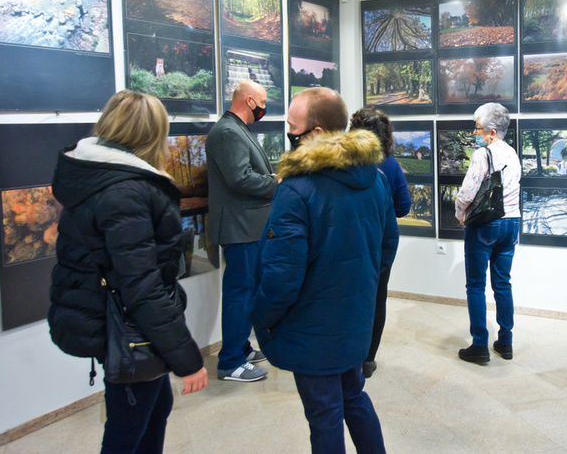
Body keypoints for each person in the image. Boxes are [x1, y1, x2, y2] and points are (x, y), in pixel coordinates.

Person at [49, 90, 208, 454]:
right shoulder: (126, 193)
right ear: (150, 134)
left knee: (153, 411)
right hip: (128, 327)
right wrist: (187, 359)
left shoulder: (100, 178)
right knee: (128, 428)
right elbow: (143, 287)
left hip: (119, 320)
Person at [250, 88, 399, 452]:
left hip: (311, 327)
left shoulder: (296, 189)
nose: (288, 134)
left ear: (315, 133)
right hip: (353, 319)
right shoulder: (375, 178)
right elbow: (387, 247)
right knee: (353, 398)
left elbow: (281, 276)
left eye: (292, 126)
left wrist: (262, 318)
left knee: (325, 414)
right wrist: (358, 285)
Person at [206, 80, 277, 382]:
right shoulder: (227, 132)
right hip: (240, 228)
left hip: (248, 227)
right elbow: (240, 179)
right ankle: (231, 361)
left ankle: (242, 347)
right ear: (249, 101)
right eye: (262, 101)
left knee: (247, 292)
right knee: (240, 293)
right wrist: (277, 182)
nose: (264, 107)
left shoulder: (236, 130)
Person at [454, 102, 521, 365]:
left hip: (485, 224)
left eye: (478, 128)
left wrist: (461, 215)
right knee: (503, 283)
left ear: (492, 132)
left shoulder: (483, 155)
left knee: (476, 285)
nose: (475, 132)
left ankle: (479, 345)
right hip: (511, 223)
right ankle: (505, 341)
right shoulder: (513, 154)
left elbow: (467, 193)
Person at [349, 106, 411, 379]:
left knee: (347, 298)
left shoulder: (342, 161)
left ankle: (348, 357)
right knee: (377, 299)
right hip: (379, 244)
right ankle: (368, 359)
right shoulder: (390, 165)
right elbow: (404, 207)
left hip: (348, 240)